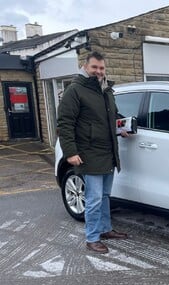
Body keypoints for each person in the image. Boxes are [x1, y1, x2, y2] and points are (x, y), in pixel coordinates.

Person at [57, 51, 128, 254]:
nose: (98, 71)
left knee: (105, 196)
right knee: (94, 198)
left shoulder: (106, 90)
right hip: (89, 153)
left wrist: (121, 127)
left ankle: (105, 229)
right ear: (85, 67)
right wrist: (70, 152)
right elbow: (65, 123)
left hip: (108, 152)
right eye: (95, 67)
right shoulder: (75, 90)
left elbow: (110, 116)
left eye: (102, 68)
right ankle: (92, 237)